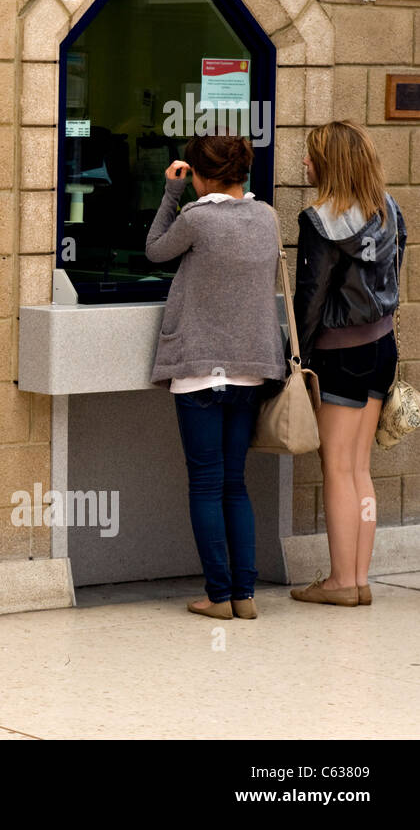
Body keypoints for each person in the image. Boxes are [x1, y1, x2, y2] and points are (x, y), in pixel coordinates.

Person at [146, 136, 286, 620]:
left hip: (200, 371)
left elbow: (155, 251)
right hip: (250, 371)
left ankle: (218, 595)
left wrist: (170, 192)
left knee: (205, 485)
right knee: (234, 484)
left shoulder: (196, 218)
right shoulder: (266, 217)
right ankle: (245, 596)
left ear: (200, 176)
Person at [292, 121, 406, 607]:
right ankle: (357, 579)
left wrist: (296, 354)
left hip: (339, 354)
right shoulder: (390, 210)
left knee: (337, 467)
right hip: (382, 348)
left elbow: (311, 298)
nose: (304, 163)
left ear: (330, 164)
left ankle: (341, 582)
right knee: (359, 468)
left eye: (311, 156)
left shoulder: (318, 221)